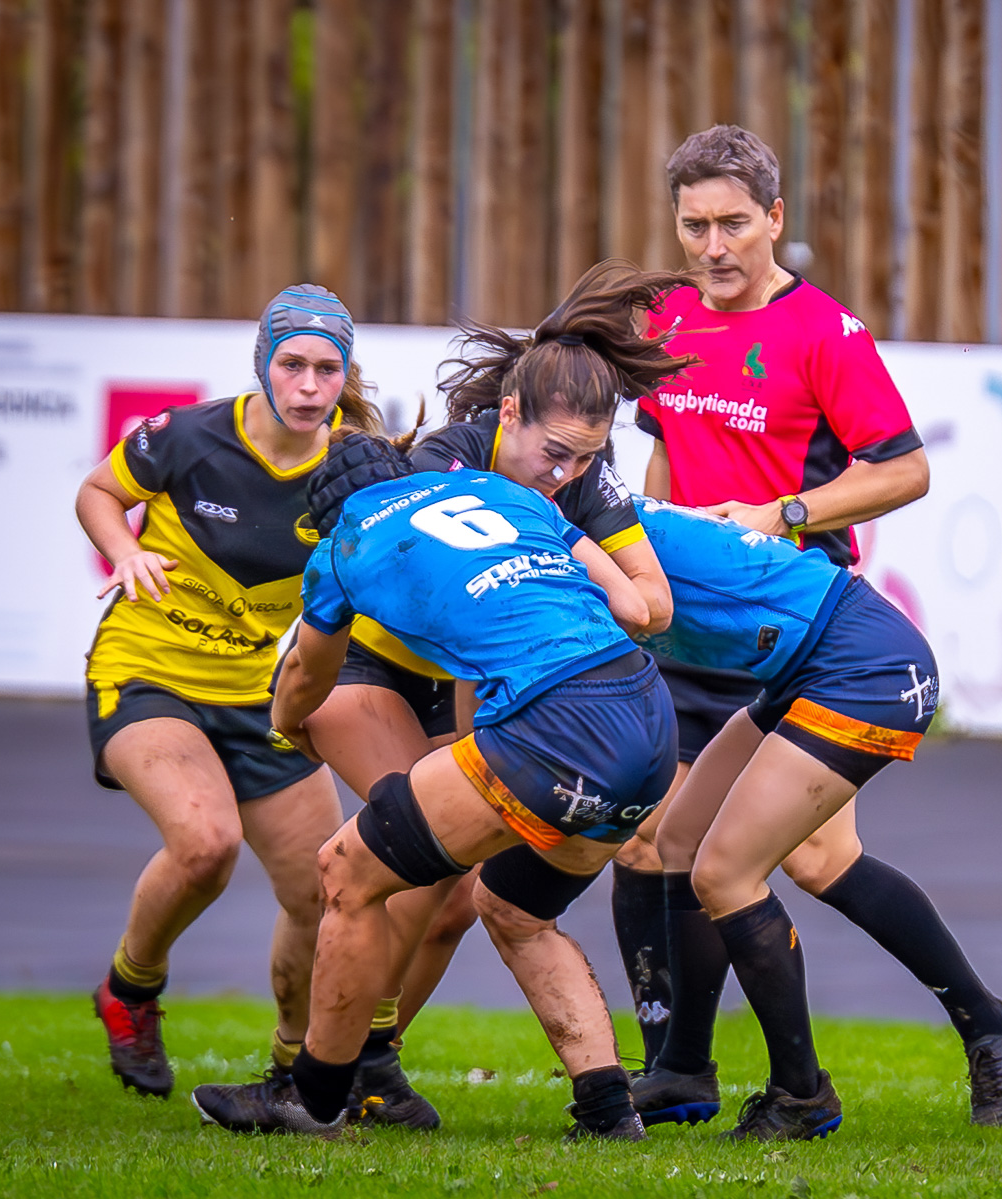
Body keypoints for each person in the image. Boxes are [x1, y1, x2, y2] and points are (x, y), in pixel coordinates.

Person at [618, 123, 1002, 1128]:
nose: (713, 246)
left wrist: (780, 515)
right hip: (702, 628)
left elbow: (905, 470)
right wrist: (645, 584)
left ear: (776, 220)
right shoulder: (665, 319)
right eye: (694, 225)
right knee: (664, 844)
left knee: (787, 859)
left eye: (733, 224)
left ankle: (971, 1024)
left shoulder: (824, 334)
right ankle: (682, 1065)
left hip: (804, 630)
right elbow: (663, 472)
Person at [288, 261, 686, 1129]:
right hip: (383, 665)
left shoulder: (576, 479)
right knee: (388, 862)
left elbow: (652, 606)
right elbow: (474, 630)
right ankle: (347, 1068)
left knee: (463, 894)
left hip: (499, 680)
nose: (565, 473)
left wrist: (566, 534)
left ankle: (369, 1064)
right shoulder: (446, 458)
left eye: (585, 458)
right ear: (507, 416)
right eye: (554, 455)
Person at [189, 436, 675, 1140]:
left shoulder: (342, 545)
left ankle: (314, 1097)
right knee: (516, 911)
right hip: (645, 712)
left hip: (557, 719)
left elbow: (305, 676)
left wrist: (288, 725)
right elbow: (628, 603)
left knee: (345, 871)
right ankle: (607, 1112)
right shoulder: (500, 491)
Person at [588, 493, 1002, 1140]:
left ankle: (801, 1093)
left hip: (863, 664)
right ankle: (683, 1065)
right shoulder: (589, 516)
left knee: (728, 873)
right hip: (807, 664)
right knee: (687, 839)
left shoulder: (584, 531)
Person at [75, 285, 379, 1099]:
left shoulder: (351, 469)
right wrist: (123, 553)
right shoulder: (190, 435)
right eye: (292, 364)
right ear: (263, 363)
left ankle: (291, 1068)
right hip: (147, 668)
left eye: (327, 368)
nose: (310, 385)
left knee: (327, 885)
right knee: (206, 845)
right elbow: (98, 493)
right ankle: (130, 990)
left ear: (344, 374)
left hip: (257, 691)